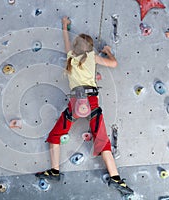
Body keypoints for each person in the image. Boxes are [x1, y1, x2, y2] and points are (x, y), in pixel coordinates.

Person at [35, 16, 134, 195]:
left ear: (75, 46)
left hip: (76, 102)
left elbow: (65, 41)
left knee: (55, 135)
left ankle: (55, 171)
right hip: (92, 101)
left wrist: (65, 26)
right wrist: (108, 51)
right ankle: (116, 179)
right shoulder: (92, 57)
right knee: (102, 140)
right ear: (89, 47)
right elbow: (114, 63)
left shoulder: (70, 56)